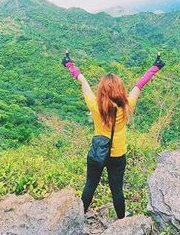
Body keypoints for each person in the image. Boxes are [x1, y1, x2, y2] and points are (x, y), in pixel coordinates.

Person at [62, 50, 165, 219]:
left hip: (97, 153)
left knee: (90, 185)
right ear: (120, 90)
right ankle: (122, 219)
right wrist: (155, 67)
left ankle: (79, 217)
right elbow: (140, 85)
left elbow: (83, 81)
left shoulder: (95, 106)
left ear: (102, 90)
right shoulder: (127, 105)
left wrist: (69, 64)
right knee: (117, 189)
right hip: (118, 155)